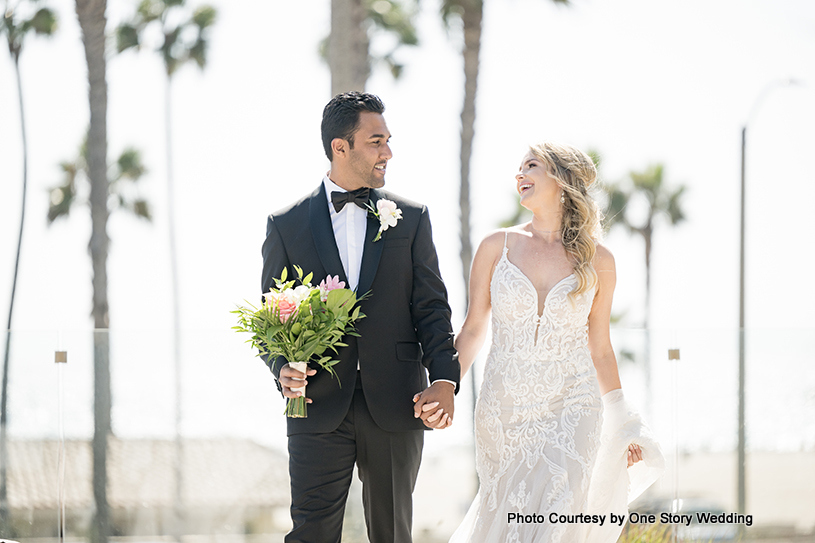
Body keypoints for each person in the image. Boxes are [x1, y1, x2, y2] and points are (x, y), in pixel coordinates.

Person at [261, 91, 460, 543]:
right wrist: (282, 368)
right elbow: (270, 316)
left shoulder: (411, 218)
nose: (388, 151)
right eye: (376, 141)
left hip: (397, 402)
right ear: (340, 147)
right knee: (310, 535)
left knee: (393, 536)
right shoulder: (285, 225)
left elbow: (431, 307)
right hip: (314, 405)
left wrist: (445, 378)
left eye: (388, 140)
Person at [444, 142, 663, 542]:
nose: (519, 174)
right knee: (504, 517)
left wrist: (624, 425)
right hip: (503, 411)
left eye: (531, 165)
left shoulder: (599, 260)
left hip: (572, 407)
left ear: (562, 181)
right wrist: (444, 384)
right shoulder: (497, 247)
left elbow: (599, 347)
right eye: (519, 167)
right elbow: (474, 329)